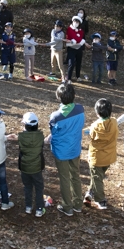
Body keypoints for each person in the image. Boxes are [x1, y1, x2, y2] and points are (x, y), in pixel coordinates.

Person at [45, 82, 85, 216]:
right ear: (74, 95)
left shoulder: (55, 116)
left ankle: (67, 206)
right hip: (75, 149)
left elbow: (53, 133)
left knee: (64, 178)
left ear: (58, 97)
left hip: (61, 152)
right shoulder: (80, 109)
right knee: (75, 175)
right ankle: (78, 204)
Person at [7, 112, 46, 217]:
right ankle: (39, 208)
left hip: (24, 167)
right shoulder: (40, 136)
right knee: (39, 187)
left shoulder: (21, 137)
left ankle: (28, 207)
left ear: (25, 125)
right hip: (37, 167)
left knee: (27, 187)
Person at [81, 99, 117, 210]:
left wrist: (81, 130)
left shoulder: (95, 126)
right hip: (109, 156)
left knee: (97, 178)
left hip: (96, 158)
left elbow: (88, 132)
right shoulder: (114, 122)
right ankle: (90, 192)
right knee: (98, 176)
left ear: (97, 113)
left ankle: (101, 200)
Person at [66, 16, 86, 81]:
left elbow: (80, 38)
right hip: (71, 48)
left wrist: (79, 41)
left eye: (77, 22)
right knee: (71, 63)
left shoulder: (81, 31)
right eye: (75, 21)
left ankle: (78, 76)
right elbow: (73, 37)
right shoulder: (69, 28)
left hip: (78, 48)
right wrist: (79, 41)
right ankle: (69, 78)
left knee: (78, 63)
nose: (76, 23)